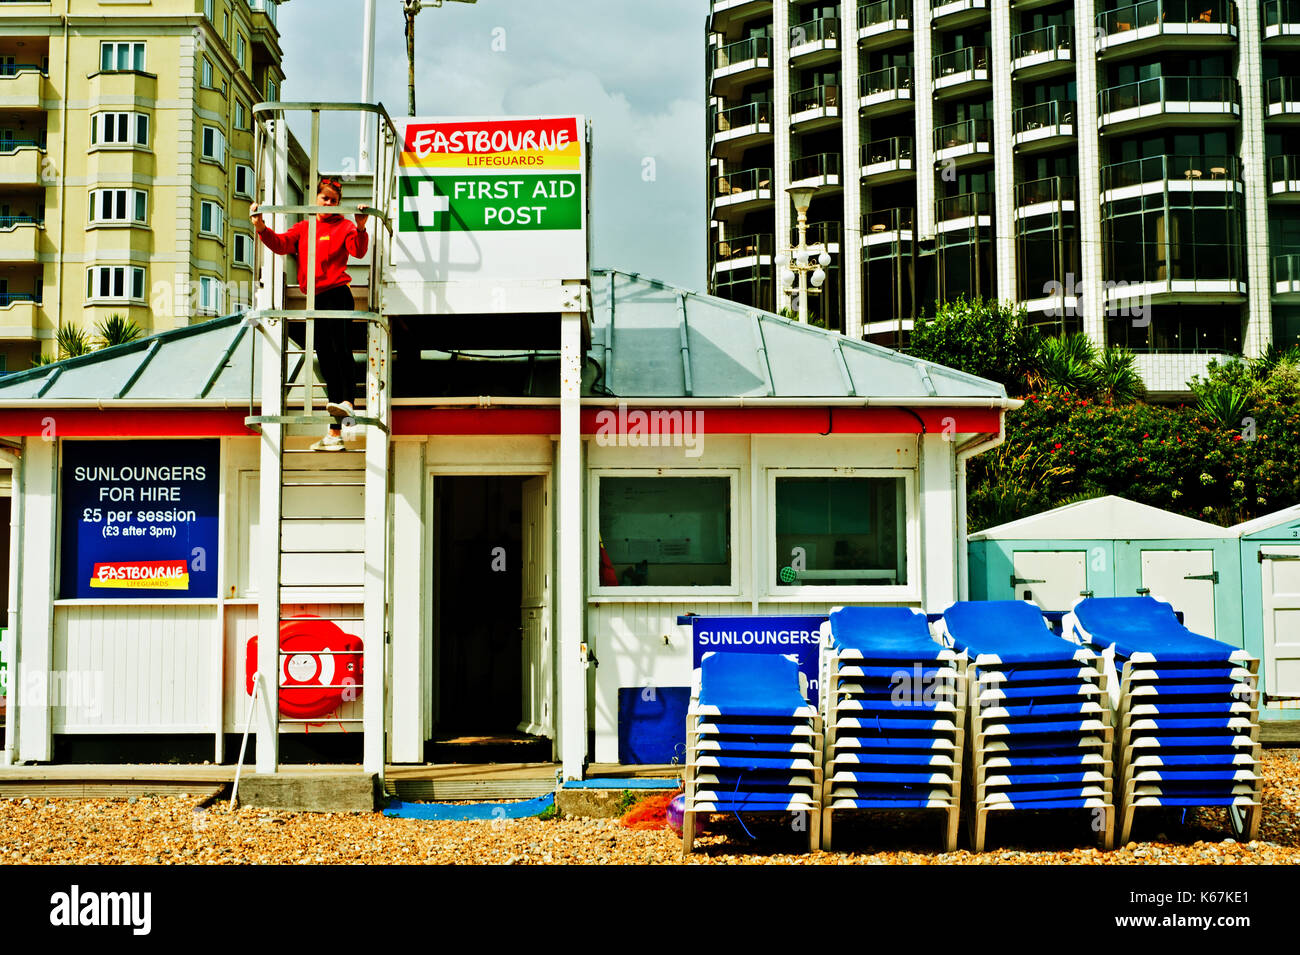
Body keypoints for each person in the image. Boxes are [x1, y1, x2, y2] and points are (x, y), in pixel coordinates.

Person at [250, 176, 370, 451]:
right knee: (325, 357)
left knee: (340, 350)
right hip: (313, 298)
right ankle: (334, 432)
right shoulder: (304, 227)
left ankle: (349, 401)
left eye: (333, 200)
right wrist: (261, 227)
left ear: (339, 204)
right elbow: (280, 245)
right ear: (315, 199)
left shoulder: (345, 226)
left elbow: (358, 251)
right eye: (324, 198)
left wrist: (362, 228)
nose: (328, 204)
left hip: (337, 293)